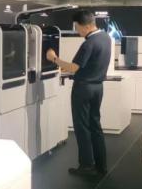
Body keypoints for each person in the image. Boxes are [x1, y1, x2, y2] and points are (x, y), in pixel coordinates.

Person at [47, 10, 112, 177]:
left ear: (87, 26)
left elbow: (73, 67)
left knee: (82, 127)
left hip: (83, 89)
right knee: (95, 126)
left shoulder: (88, 43)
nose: (77, 31)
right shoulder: (105, 38)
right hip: (98, 88)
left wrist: (54, 58)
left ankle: (86, 166)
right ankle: (101, 165)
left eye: (77, 27)